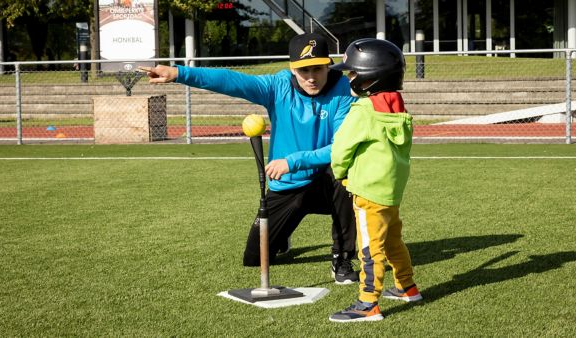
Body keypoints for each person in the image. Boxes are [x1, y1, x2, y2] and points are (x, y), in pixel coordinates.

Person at [139, 33, 359, 284]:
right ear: (291, 69)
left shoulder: (342, 90)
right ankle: (282, 234)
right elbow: (231, 80)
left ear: (328, 65)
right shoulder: (278, 86)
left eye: (318, 68)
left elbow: (341, 148)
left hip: (323, 182)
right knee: (254, 259)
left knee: (346, 175)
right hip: (286, 184)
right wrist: (179, 74)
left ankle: (342, 258)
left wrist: (293, 161)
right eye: (304, 69)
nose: (311, 76)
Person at [328, 38, 423, 322]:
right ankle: (407, 287)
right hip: (390, 192)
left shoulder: (363, 111)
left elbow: (341, 148)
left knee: (370, 249)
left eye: (353, 73)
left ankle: (368, 303)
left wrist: (340, 172)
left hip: (368, 194)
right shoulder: (398, 108)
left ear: (370, 79)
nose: (349, 77)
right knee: (393, 242)